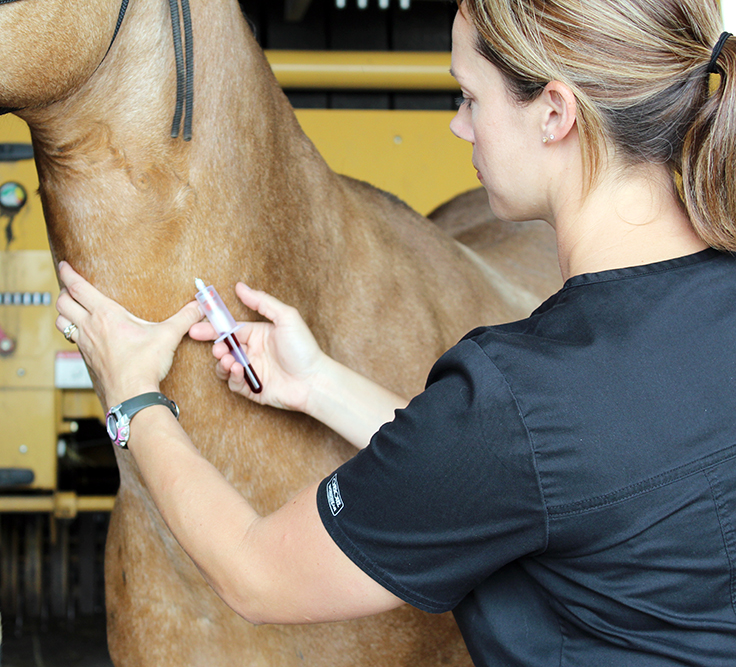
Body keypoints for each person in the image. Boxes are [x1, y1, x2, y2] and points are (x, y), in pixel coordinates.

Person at [55, 0, 736, 664]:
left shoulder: (520, 395)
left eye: (469, 98)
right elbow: (530, 470)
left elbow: (256, 573)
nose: (458, 127)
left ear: (554, 113)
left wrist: (133, 396)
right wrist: (318, 382)